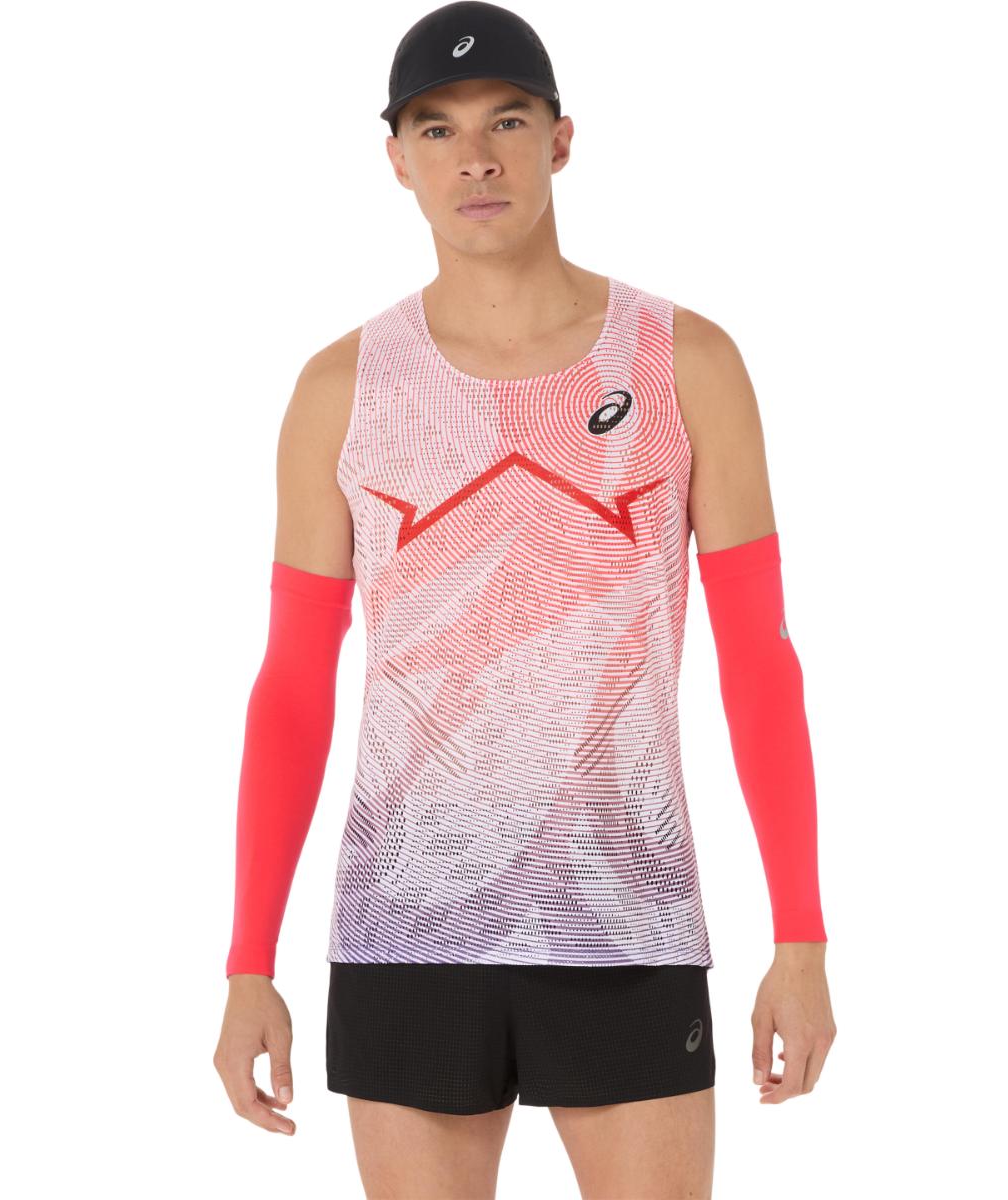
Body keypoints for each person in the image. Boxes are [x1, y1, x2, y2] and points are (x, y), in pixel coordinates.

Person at [213, 3, 836, 1195]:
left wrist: (799, 937)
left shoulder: (684, 362)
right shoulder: (341, 389)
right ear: (397, 159)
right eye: (437, 129)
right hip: (405, 932)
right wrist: (250, 963)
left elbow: (761, 659)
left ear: (561, 138)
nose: (476, 158)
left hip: (629, 924)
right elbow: (291, 684)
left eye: (506, 121)